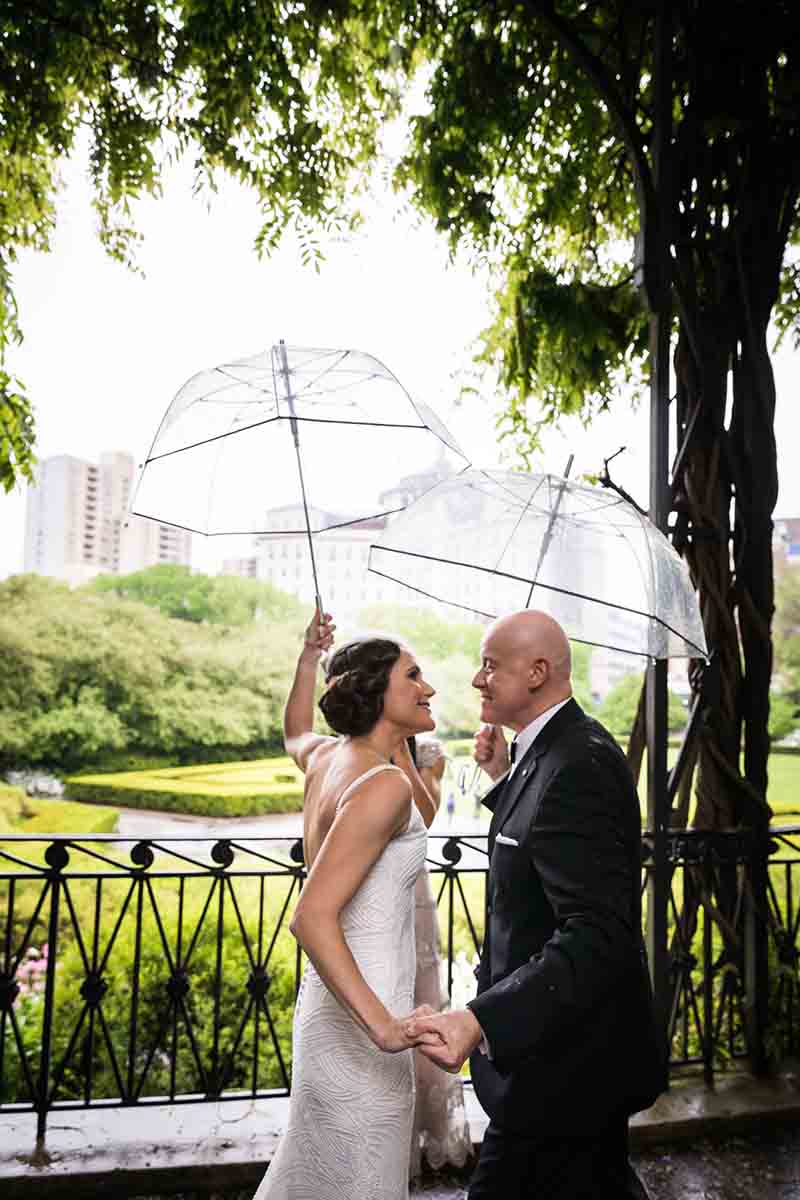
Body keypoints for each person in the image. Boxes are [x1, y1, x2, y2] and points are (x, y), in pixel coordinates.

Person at [406, 610, 667, 1200]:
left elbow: (597, 932)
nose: (477, 679)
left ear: (538, 672)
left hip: (569, 1064)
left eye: (491, 666)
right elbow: (546, 853)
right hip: (557, 1060)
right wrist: (504, 778)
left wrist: (481, 1018)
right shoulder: (549, 751)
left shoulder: (580, 762)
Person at [254, 611, 441, 1200]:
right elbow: (310, 917)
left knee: (319, 1171)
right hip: (368, 1011)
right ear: (376, 692)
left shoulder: (327, 758)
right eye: (413, 677)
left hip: (328, 1003)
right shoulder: (379, 786)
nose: (428, 688)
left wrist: (309, 658)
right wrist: (385, 1028)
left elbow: (292, 729)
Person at [408, 736, 472, 1179]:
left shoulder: (427, 754)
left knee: (421, 997)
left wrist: (398, 752)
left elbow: (423, 814)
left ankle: (420, 1129)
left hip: (413, 896)